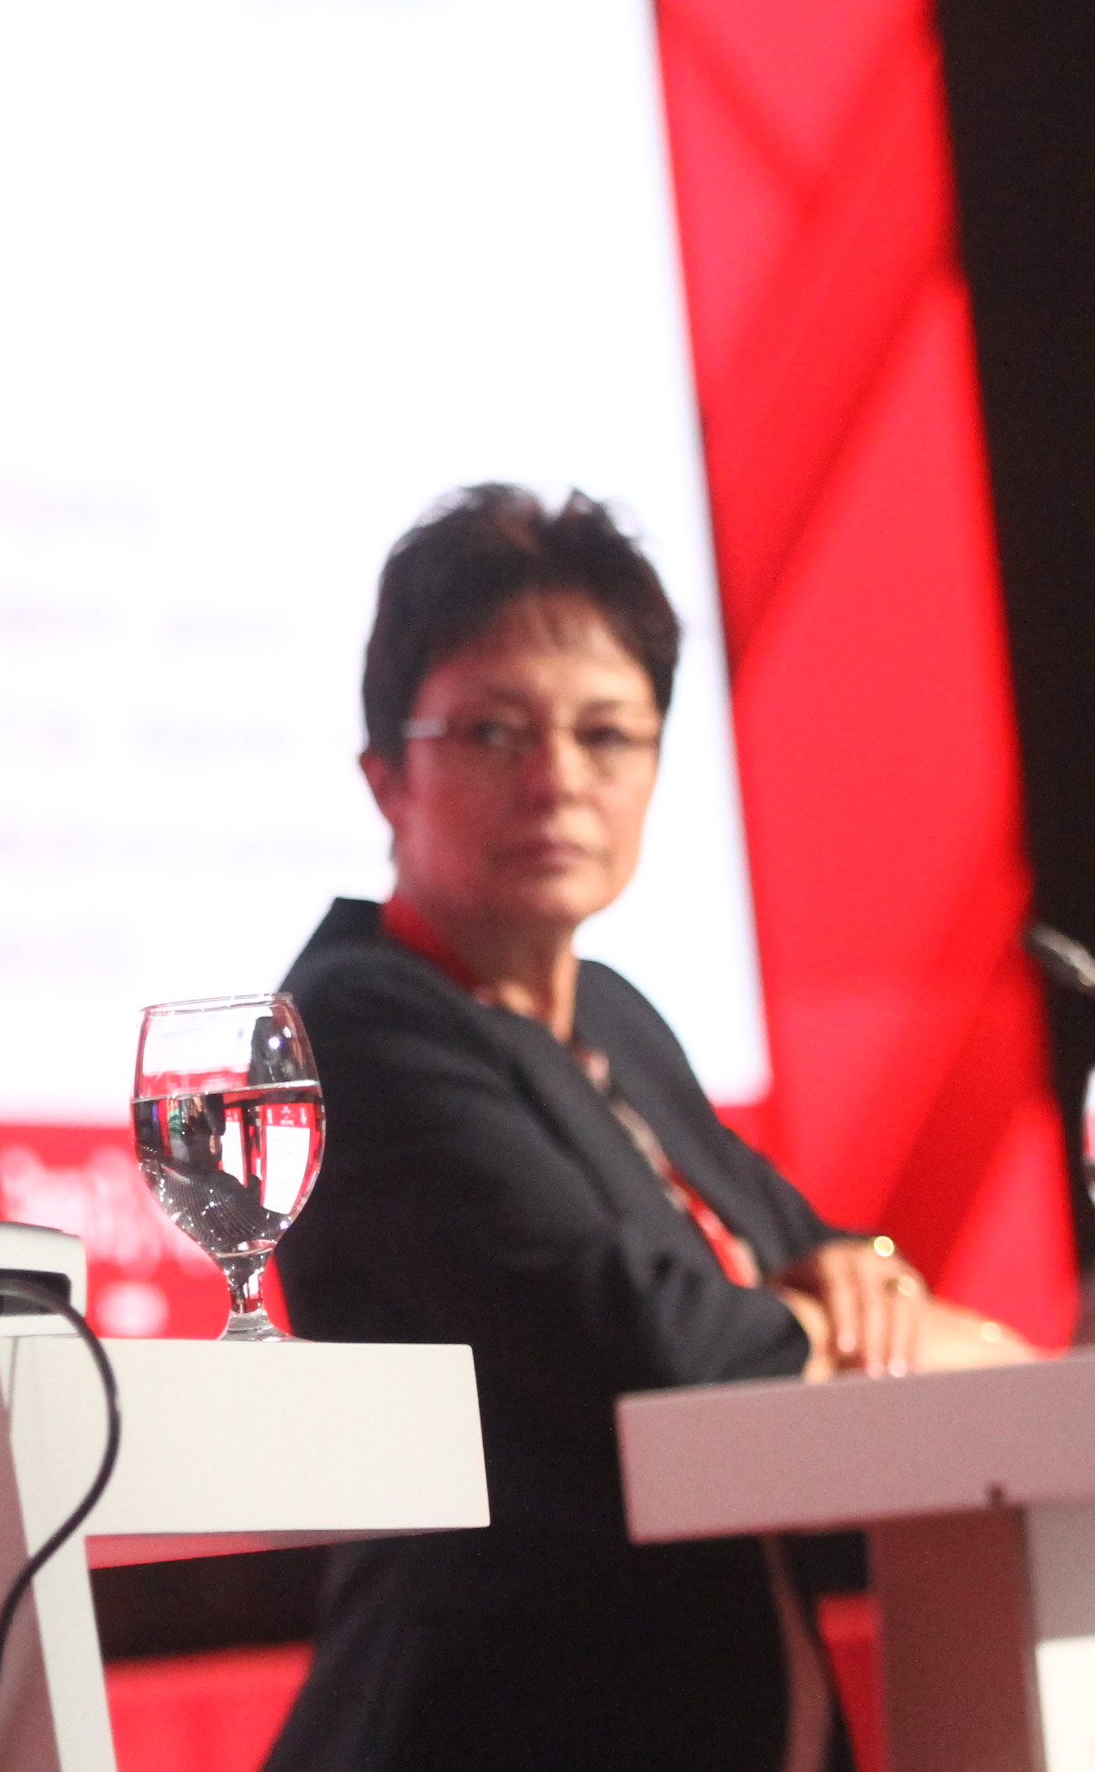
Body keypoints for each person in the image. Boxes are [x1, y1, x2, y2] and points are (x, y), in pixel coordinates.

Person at [262, 485, 1035, 1772]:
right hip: (503, 1729)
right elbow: (652, 1340)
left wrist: (869, 1280)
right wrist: (881, 1333)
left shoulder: (610, 1013)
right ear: (385, 775)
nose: (560, 781)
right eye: (495, 732)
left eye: (608, 734)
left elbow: (801, 1249)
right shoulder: (353, 1025)